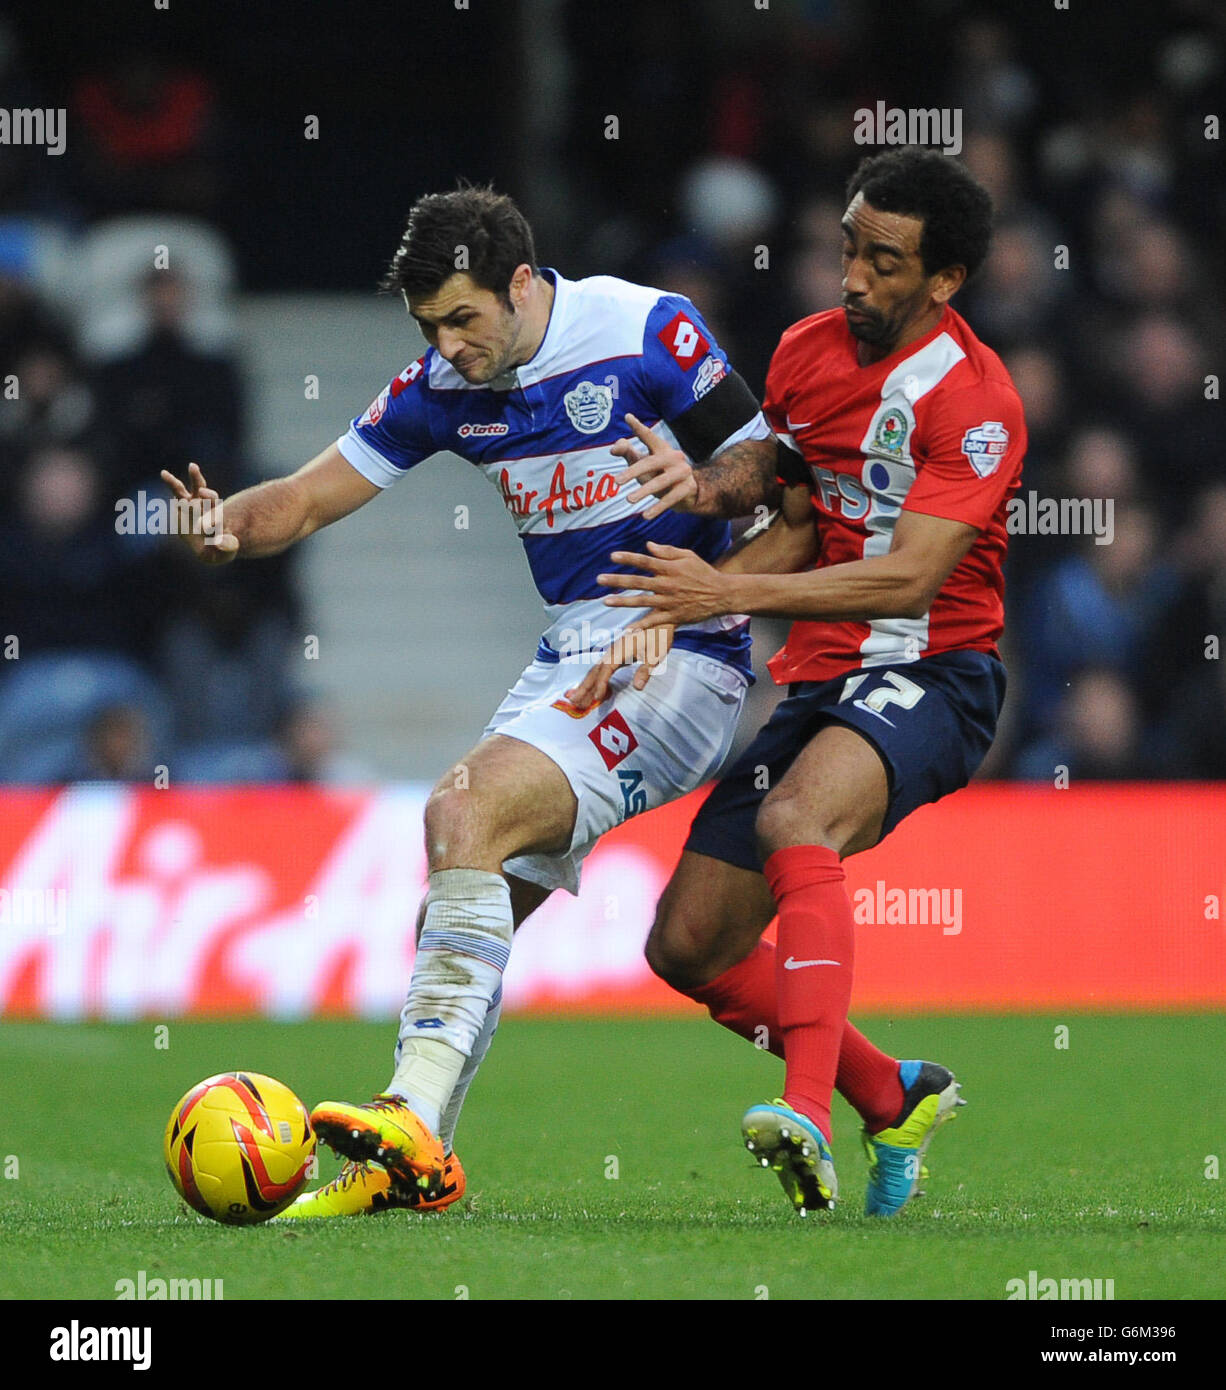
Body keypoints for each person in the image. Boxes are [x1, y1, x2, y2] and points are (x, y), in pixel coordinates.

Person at [163, 185, 780, 1217]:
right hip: (569, 650)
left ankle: (405, 1109)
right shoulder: (443, 385)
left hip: (682, 644)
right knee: (462, 891)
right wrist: (229, 525)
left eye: (463, 319)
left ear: (524, 285)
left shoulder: (644, 330)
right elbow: (311, 494)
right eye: (428, 328)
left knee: (460, 811)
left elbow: (779, 475)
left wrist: (696, 585)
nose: (447, 347)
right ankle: (414, 1160)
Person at [569, 148, 1026, 1216]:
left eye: (881, 260)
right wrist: (693, 588)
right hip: (824, 680)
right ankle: (890, 1092)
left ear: (943, 280)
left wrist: (721, 593)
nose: (851, 278)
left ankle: (806, 1113)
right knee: (686, 944)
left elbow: (912, 572)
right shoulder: (806, 350)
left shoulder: (976, 402)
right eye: (845, 249)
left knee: (793, 820)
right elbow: (793, 513)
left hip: (935, 672)